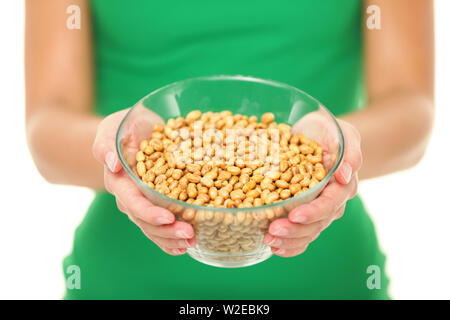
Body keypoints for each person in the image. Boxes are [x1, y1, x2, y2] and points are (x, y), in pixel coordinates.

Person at [25, 0, 434, 299]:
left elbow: (411, 109)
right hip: (122, 285)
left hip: (330, 282)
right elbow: (47, 124)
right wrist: (121, 147)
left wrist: (335, 148)